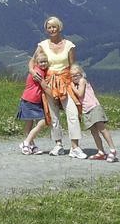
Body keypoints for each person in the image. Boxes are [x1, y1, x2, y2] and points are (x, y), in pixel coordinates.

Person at [28, 16, 87, 159]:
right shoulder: (42, 45)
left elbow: (72, 65)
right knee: (53, 114)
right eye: (49, 27)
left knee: (72, 112)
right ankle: (58, 144)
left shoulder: (69, 45)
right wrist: (32, 71)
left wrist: (79, 78)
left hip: (65, 81)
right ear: (46, 29)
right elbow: (32, 60)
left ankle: (75, 147)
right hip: (48, 82)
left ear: (59, 27)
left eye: (54, 26)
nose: (52, 29)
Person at [70, 63, 118, 162]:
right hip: (86, 110)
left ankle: (112, 149)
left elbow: (80, 94)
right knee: (94, 132)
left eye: (76, 75)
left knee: (102, 128)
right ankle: (101, 152)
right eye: (72, 76)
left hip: (94, 107)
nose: (74, 77)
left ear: (81, 74)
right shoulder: (77, 83)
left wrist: (71, 86)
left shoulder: (82, 81)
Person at [17, 52, 51, 155]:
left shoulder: (38, 70)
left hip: (29, 100)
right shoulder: (38, 73)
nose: (43, 64)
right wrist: (54, 96)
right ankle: (26, 143)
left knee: (29, 124)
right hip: (31, 101)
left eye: (45, 62)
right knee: (43, 121)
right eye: (41, 62)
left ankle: (31, 145)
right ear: (36, 63)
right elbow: (44, 87)